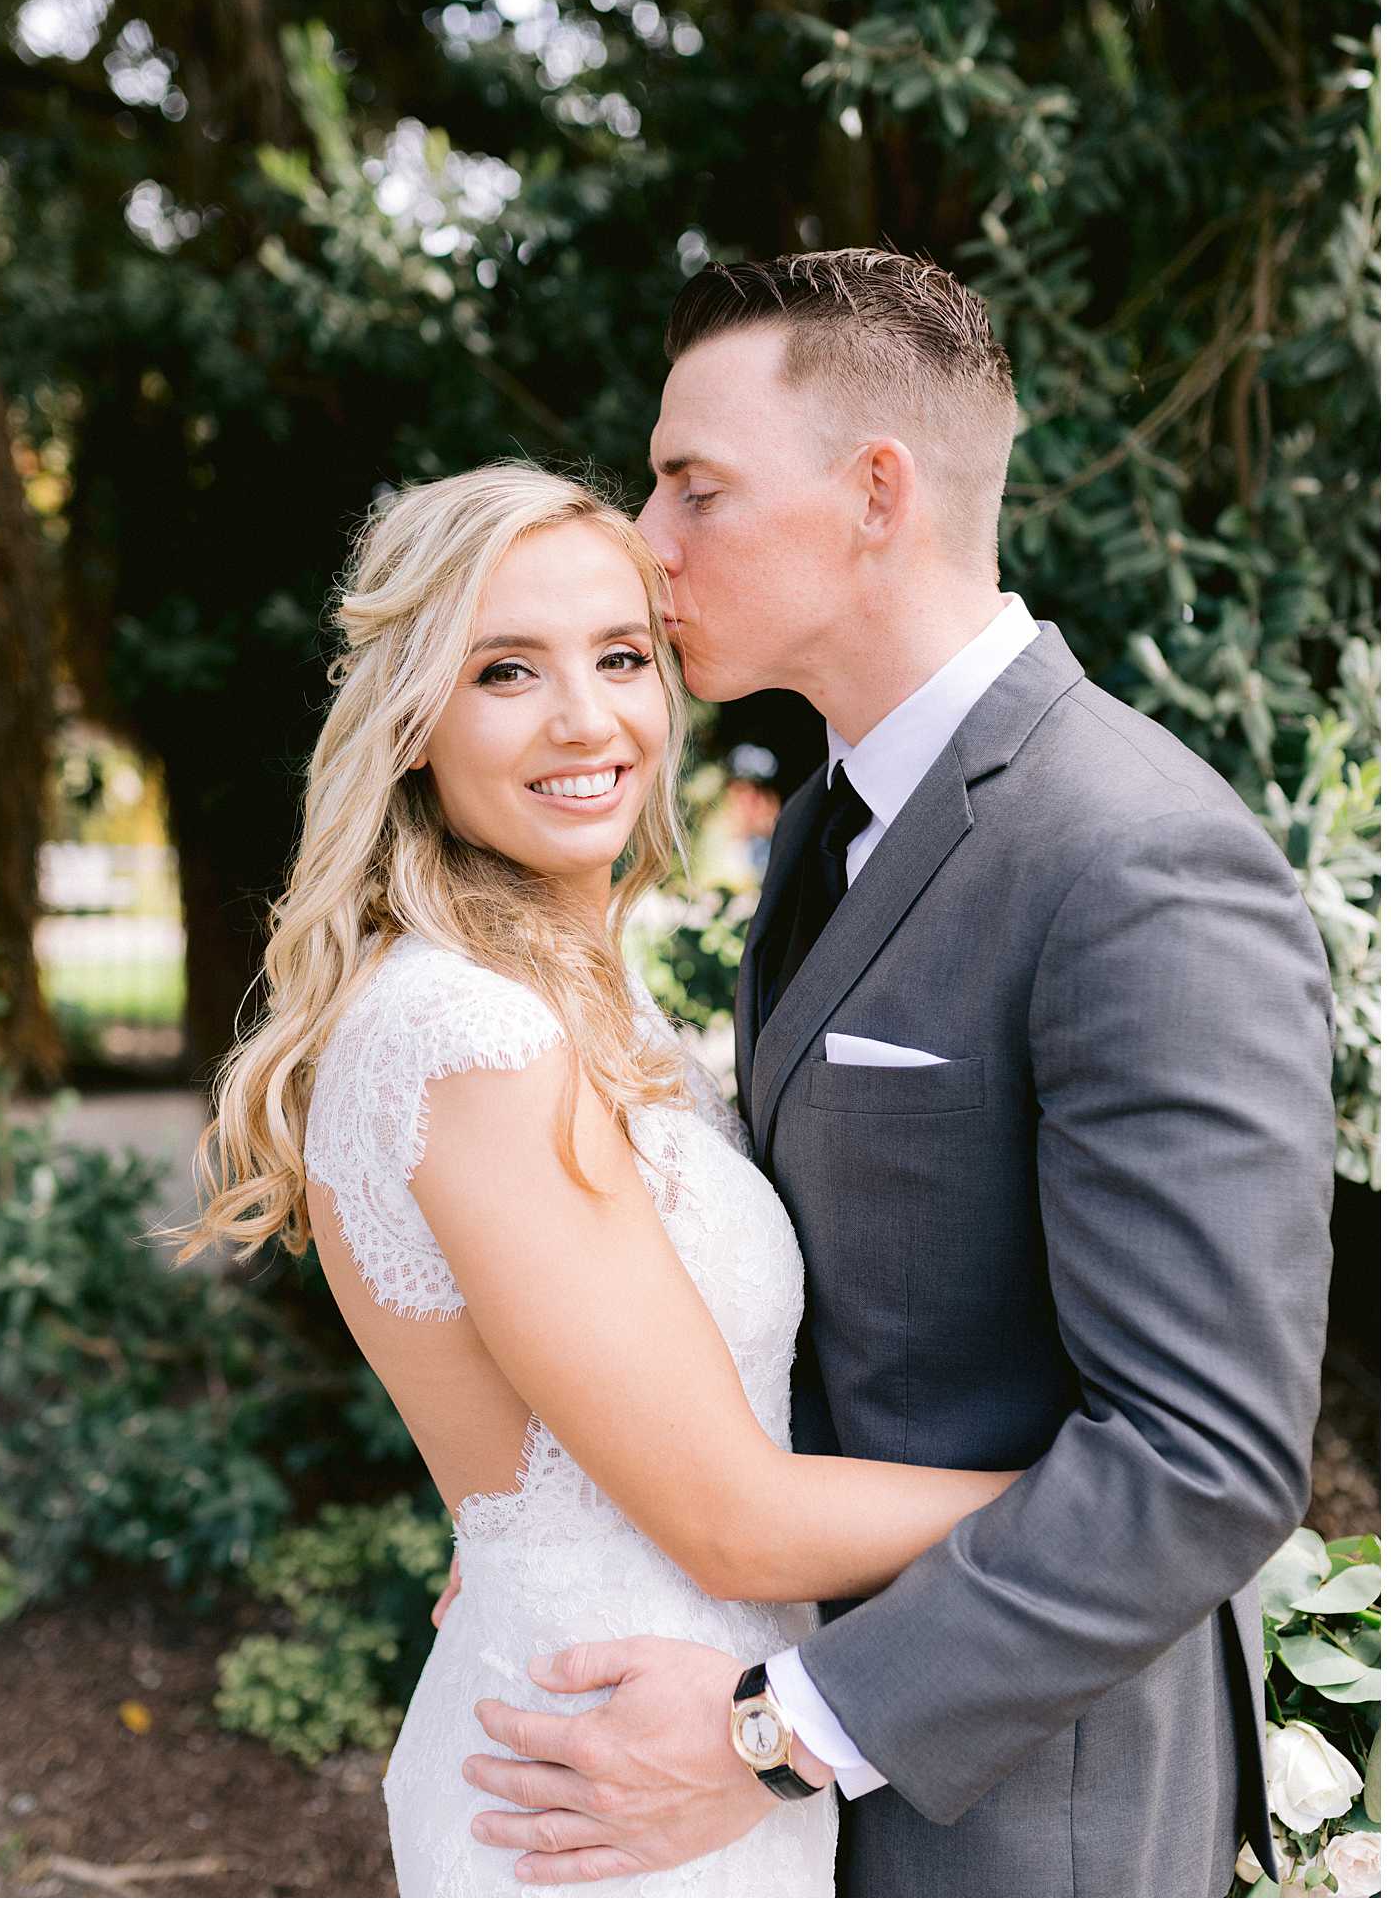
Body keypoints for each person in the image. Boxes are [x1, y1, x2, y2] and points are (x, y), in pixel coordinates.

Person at [456, 250, 1337, 1897]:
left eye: (692, 487)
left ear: (877, 494)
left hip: (1026, 1810)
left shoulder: (1134, 858)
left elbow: (1207, 1462)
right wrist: (572, 1542)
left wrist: (772, 1730)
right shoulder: (825, 828)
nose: (647, 544)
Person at [162, 458, 1032, 1898]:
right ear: (415, 716)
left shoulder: (573, 1001)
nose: (587, 718)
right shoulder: (473, 1032)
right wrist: (1100, 1499)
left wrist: (514, 1533)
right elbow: (727, 1513)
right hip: (603, 1776)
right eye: (507, 669)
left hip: (673, 1737)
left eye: (621, 655)